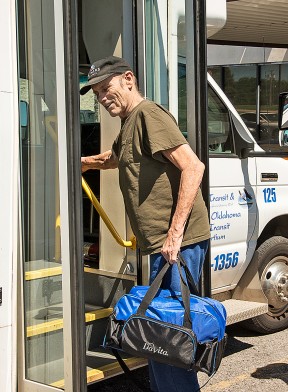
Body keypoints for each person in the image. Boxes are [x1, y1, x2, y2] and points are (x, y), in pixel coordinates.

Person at [80, 56, 210, 392]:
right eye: (96, 93)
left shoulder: (148, 115)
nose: (102, 97)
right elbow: (116, 157)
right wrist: (84, 163)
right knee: (160, 331)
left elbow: (193, 167)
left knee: (167, 334)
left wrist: (174, 234)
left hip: (176, 245)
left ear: (128, 79)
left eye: (105, 88)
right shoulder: (129, 122)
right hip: (162, 244)